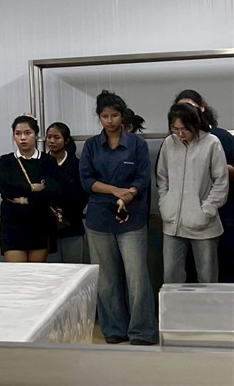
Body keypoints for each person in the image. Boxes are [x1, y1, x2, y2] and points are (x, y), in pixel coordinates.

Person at [79, 90, 158, 345]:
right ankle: (114, 329)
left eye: (114, 115)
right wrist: (114, 191)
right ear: (99, 117)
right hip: (99, 218)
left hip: (131, 218)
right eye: (105, 116)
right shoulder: (91, 145)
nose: (110, 120)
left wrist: (128, 195)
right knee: (106, 279)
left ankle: (142, 331)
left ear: (122, 117)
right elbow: (86, 180)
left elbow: (143, 178)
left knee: (137, 277)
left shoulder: (137, 144)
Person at [156, 103, 228, 283]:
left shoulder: (212, 143)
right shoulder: (169, 143)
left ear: (195, 124)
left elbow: (221, 181)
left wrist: (207, 210)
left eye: (185, 129)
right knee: (171, 277)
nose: (180, 133)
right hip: (172, 222)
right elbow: (162, 176)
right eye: (175, 129)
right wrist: (165, 203)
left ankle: (209, 305)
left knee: (207, 278)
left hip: (204, 224)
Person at [173, 90, 234, 283]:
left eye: (190, 106)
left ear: (202, 108)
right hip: (184, 217)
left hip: (221, 212)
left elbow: (228, 173)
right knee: (187, 269)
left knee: (219, 267)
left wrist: (214, 167)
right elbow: (163, 177)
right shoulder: (174, 141)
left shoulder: (219, 137)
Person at [0, 115, 61, 263]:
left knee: (35, 272)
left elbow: (53, 190)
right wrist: (32, 188)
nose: (22, 138)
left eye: (27, 133)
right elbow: (5, 188)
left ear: (36, 135)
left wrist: (22, 197)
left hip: (39, 221)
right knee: (17, 272)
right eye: (18, 134)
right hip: (12, 222)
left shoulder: (48, 161)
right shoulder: (6, 161)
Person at [45, 122, 88, 263]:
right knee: (50, 270)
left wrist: (68, 212)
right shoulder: (41, 163)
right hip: (47, 227)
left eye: (56, 137)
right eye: (49, 137)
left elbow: (84, 193)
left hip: (72, 225)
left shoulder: (77, 165)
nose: (52, 141)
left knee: (74, 267)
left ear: (66, 140)